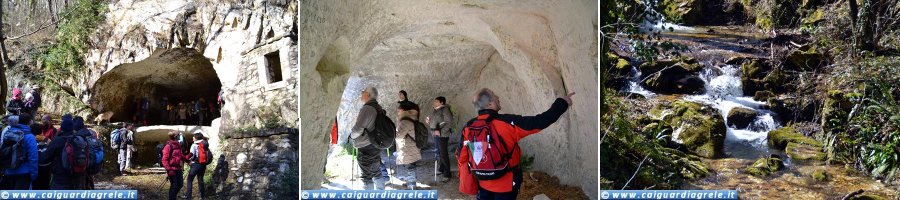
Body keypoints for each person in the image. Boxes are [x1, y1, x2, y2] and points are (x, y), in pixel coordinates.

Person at [457, 88, 573, 199]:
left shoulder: (469, 127)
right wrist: (562, 103)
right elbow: (540, 121)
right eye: (494, 96)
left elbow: (461, 157)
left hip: (482, 183)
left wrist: (470, 183)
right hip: (506, 185)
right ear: (490, 104)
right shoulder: (507, 123)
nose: (498, 97)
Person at [349, 86, 388, 190]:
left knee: (366, 175)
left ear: (368, 95)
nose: (362, 93)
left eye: (363, 91)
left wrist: (351, 135)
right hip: (376, 144)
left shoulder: (367, 108)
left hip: (366, 145)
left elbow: (358, 129)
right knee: (376, 171)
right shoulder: (378, 107)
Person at [39, 114, 82, 189]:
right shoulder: (78, 140)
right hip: (77, 174)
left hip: (60, 175)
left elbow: (46, 157)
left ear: (62, 127)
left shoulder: (57, 141)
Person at [0, 115, 38, 190]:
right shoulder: (30, 136)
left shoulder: (8, 132)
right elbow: (33, 158)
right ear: (29, 122)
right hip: (24, 172)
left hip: (8, 170)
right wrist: (34, 175)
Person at [395, 103, 421, 190]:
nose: (397, 111)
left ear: (405, 111)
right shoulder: (412, 118)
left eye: (399, 110)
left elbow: (398, 136)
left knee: (410, 167)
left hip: (408, 148)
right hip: (412, 147)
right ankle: (411, 182)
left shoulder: (405, 121)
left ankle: (412, 185)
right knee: (411, 166)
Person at [426, 96, 453, 182]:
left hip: (443, 135)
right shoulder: (436, 110)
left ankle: (447, 174)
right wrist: (429, 122)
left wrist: (440, 132)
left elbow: (449, 122)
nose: (434, 103)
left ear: (442, 103)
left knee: (443, 154)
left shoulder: (445, 109)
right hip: (437, 134)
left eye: (436, 101)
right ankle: (441, 168)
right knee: (440, 152)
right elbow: (437, 122)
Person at [161, 131, 188, 200]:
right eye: (178, 136)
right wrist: (169, 170)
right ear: (175, 137)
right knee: (174, 185)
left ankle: (173, 196)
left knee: (180, 184)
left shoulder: (178, 145)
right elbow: (164, 159)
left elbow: (180, 155)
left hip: (178, 168)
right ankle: (172, 198)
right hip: (171, 169)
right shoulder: (168, 146)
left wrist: (187, 159)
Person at [186, 131, 211, 199]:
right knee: (200, 180)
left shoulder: (194, 145)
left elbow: (191, 155)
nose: (193, 138)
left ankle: (188, 197)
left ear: (196, 138)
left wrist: (187, 160)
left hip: (195, 165)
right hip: (203, 165)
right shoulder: (205, 144)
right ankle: (202, 196)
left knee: (189, 180)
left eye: (194, 137)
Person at [31, 116, 51, 190]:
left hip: (36, 165)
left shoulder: (32, 140)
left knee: (35, 184)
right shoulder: (47, 139)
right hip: (46, 165)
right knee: (45, 184)